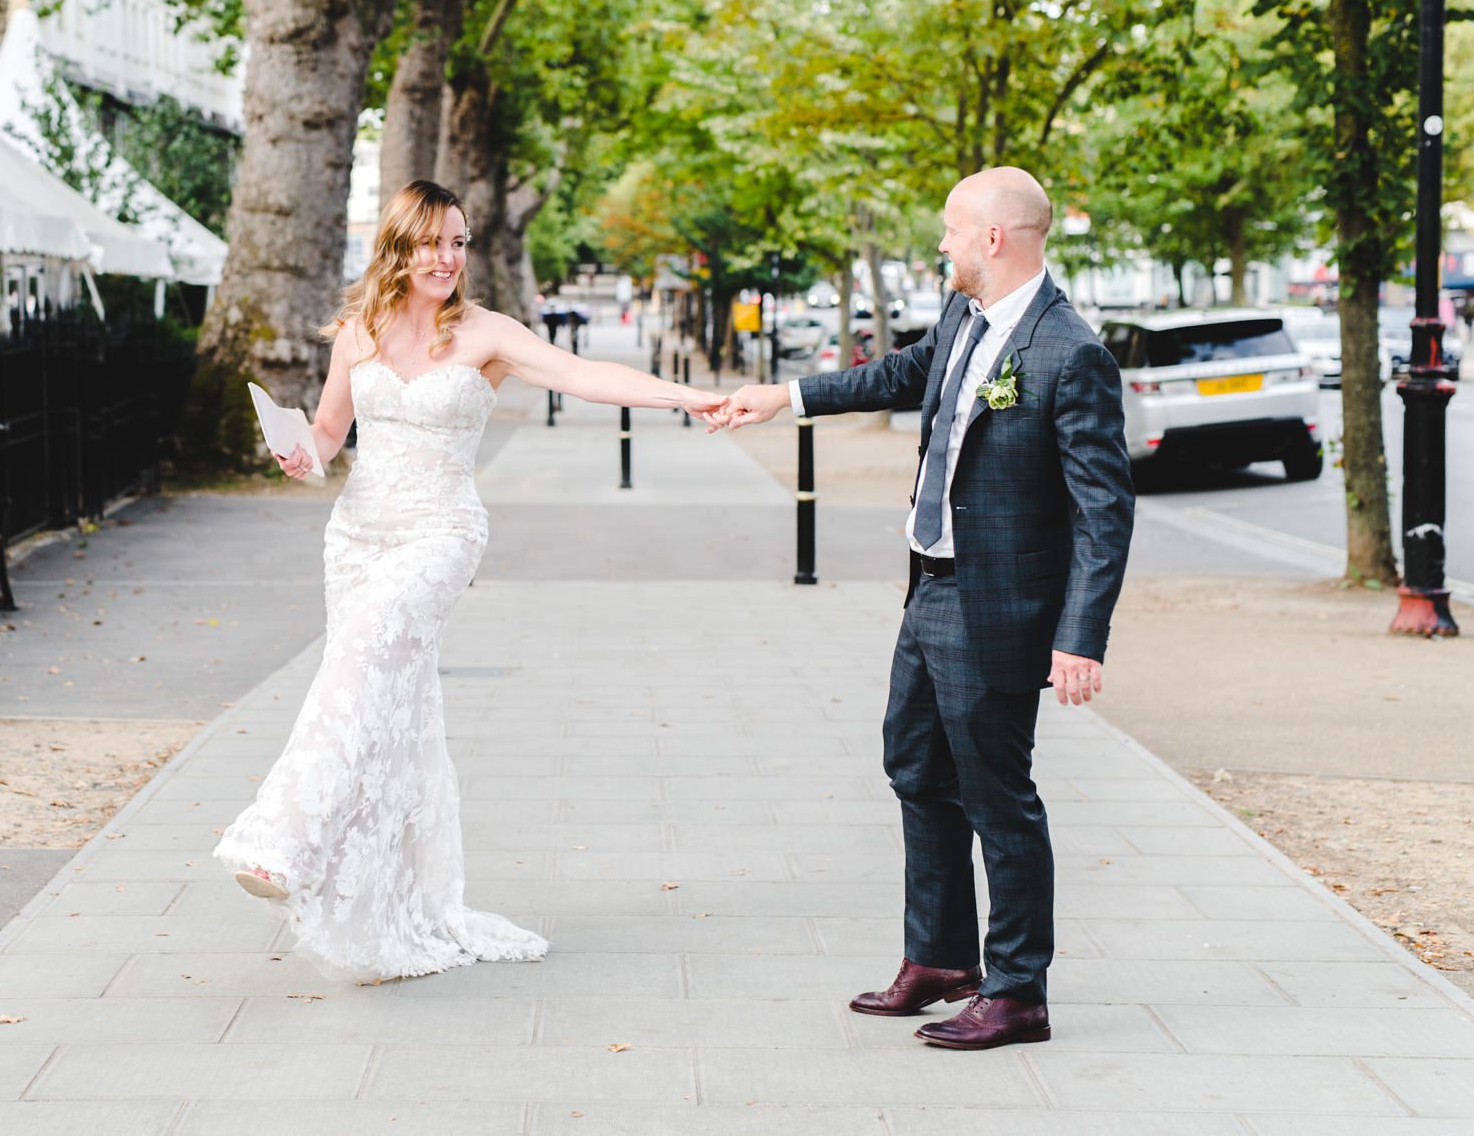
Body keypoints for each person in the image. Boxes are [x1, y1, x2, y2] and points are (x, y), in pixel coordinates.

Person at [214, 179, 724, 981]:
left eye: (459, 241)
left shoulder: (486, 332)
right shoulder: (359, 330)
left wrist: (686, 396)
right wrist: (298, 454)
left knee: (360, 660)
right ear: (398, 246)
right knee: (390, 708)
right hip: (355, 537)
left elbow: (584, 373)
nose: (448, 257)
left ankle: (285, 838)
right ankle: (382, 917)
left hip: (441, 532)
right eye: (432, 242)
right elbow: (327, 434)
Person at [713, 167, 1134, 1050]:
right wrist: (785, 398)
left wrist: (1079, 637)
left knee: (997, 793)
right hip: (929, 587)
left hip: (1000, 610)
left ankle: (1018, 989)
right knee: (913, 766)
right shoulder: (962, 317)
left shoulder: (1070, 352)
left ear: (994, 238)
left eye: (950, 230)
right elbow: (903, 374)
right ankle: (940, 958)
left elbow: (1104, 509)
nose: (939, 243)